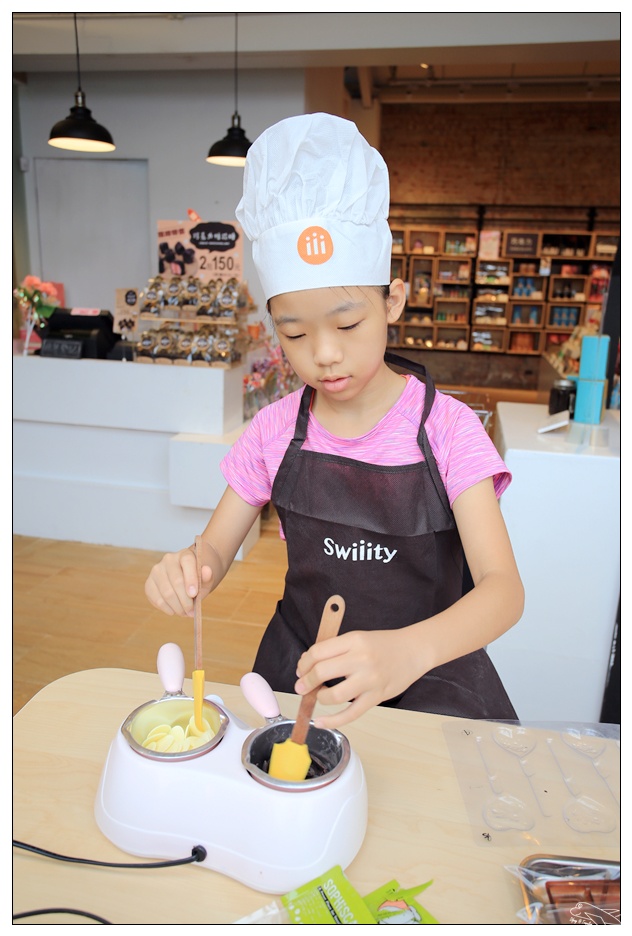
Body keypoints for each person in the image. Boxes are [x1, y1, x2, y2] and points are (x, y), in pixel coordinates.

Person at [145, 113, 524, 729]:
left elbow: (504, 590)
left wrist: (410, 649)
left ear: (392, 301)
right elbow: (216, 543)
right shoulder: (273, 431)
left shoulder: (450, 431)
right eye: (294, 333)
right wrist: (193, 568)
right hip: (303, 672)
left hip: (431, 677)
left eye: (347, 325)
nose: (323, 353)